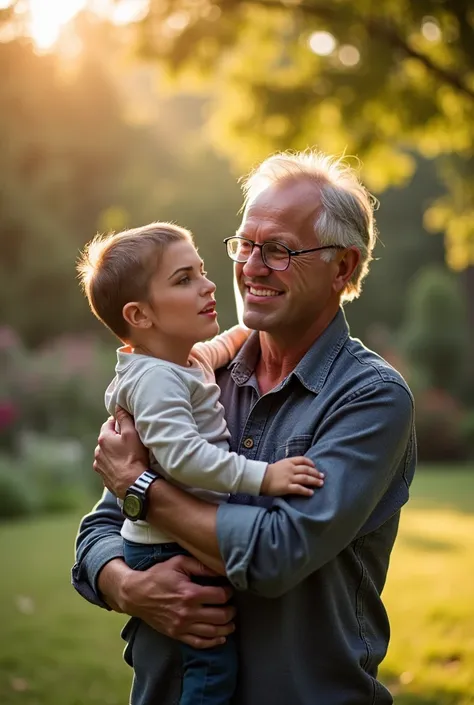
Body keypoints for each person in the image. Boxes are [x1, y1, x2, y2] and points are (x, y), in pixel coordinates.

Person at [73, 150, 416, 705]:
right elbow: (98, 532)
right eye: (245, 244)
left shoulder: (370, 397)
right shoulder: (189, 373)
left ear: (343, 268)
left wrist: (140, 486)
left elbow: (272, 556)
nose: (251, 266)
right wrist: (130, 587)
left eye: (278, 249)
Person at [75, 222, 323, 705]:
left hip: (177, 539)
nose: (209, 285)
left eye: (203, 272)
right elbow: (185, 457)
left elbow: (220, 348)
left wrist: (258, 319)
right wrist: (264, 476)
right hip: (169, 553)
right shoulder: (154, 384)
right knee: (208, 668)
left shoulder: (180, 361)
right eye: (184, 279)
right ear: (140, 315)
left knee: (208, 663)